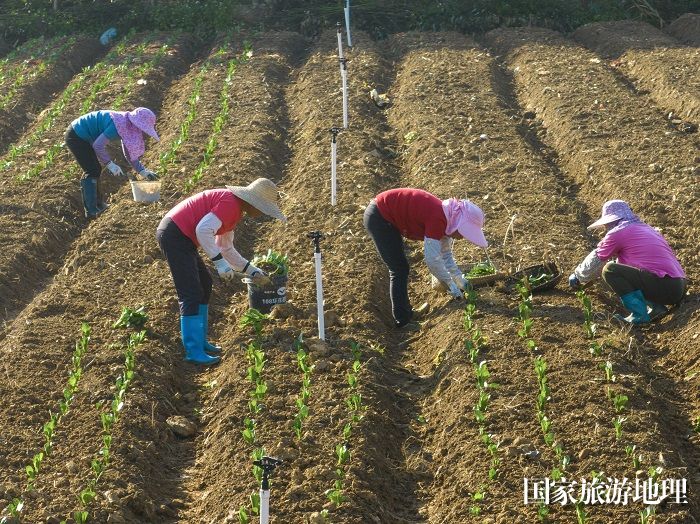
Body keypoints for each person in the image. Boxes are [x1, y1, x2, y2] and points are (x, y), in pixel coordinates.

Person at [156, 178, 286, 365]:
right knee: (190, 292)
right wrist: (219, 264)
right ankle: (193, 350)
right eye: (263, 208)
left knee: (205, 284)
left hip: (181, 237)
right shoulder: (230, 204)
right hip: (174, 235)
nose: (261, 213)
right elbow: (203, 230)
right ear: (253, 202)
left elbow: (226, 248)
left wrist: (253, 271)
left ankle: (200, 341)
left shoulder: (235, 210)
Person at [364, 188, 488, 328]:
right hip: (380, 216)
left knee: (401, 267)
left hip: (386, 216)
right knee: (399, 268)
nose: (462, 238)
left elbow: (446, 255)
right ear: (459, 224)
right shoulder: (438, 218)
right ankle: (403, 320)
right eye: (464, 232)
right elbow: (432, 261)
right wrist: (451, 286)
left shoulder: (448, 219)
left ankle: (407, 313)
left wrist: (460, 280)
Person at [568, 200, 686, 324]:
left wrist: (578, 276)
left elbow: (596, 260)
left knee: (610, 270)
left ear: (612, 221)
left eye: (607, 224)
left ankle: (639, 314)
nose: (605, 228)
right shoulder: (646, 229)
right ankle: (656, 307)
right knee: (624, 266)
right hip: (679, 286)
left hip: (666, 287)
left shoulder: (618, 232)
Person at [65, 107, 160, 218]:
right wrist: (110, 164)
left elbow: (129, 154)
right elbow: (98, 145)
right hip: (76, 135)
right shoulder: (117, 125)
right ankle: (91, 210)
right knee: (92, 169)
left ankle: (99, 204)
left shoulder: (128, 127)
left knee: (95, 169)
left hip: (85, 136)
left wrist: (142, 171)